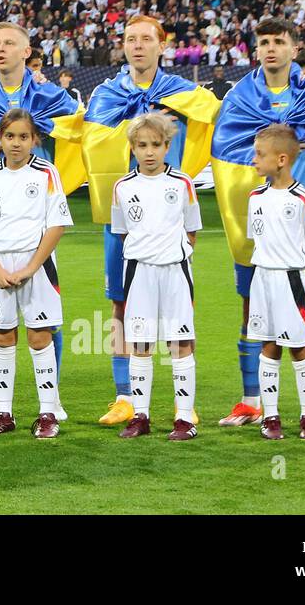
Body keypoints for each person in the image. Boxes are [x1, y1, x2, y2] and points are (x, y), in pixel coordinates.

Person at [81, 16, 218, 427]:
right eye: (130, 39)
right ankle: (125, 397)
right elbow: (89, 137)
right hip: (124, 213)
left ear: (163, 45)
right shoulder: (106, 93)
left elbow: (222, 118)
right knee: (119, 305)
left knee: (180, 312)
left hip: (170, 221)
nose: (137, 46)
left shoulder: (184, 93)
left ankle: (184, 403)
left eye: (146, 39)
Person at [210, 18, 305, 430]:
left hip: (300, 222)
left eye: (279, 42)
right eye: (263, 42)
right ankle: (252, 402)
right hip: (254, 223)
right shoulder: (239, 96)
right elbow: (223, 144)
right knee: (251, 311)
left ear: (294, 48)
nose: (270, 48)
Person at [0, 22, 82, 419]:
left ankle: (51, 398)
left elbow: (82, 127)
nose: (1, 49)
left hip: (33, 228)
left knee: (44, 317)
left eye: (10, 43)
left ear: (27, 52)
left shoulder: (48, 94)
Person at [0, 109, 73, 439]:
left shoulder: (46, 173)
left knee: (40, 336)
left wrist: (31, 267)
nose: (16, 143)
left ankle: (47, 412)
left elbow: (56, 224)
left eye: (23, 137)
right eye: (10, 136)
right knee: (2, 337)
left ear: (34, 140)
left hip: (37, 267)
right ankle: (4, 413)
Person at [109, 113, 202, 441]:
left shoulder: (182, 184)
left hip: (175, 271)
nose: (149, 152)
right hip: (139, 272)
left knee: (180, 344)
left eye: (156, 145)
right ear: (133, 148)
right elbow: (122, 233)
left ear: (167, 147)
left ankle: (184, 418)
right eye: (142, 145)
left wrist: (171, 254)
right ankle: (141, 416)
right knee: (140, 344)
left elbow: (191, 231)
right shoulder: (122, 187)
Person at [245, 125, 305, 441]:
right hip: (262, 278)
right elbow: (257, 239)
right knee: (268, 346)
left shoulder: (304, 198)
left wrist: (297, 268)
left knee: (300, 348)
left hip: (293, 279)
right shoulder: (255, 197)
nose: (254, 160)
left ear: (280, 159)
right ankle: (271, 416)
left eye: (259, 154)